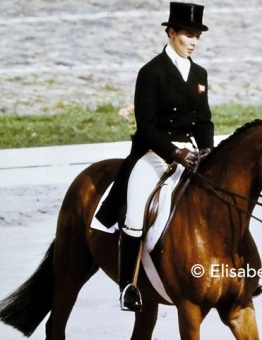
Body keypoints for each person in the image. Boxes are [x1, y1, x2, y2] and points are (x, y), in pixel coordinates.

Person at [99, 3, 214, 312]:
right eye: (187, 35)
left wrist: (208, 150)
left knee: (221, 195)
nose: (192, 42)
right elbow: (147, 128)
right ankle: (128, 287)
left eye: (197, 37)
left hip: (191, 153)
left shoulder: (200, 74)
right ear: (171, 32)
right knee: (136, 213)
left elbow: (204, 121)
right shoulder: (151, 73)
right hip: (154, 153)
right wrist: (175, 152)